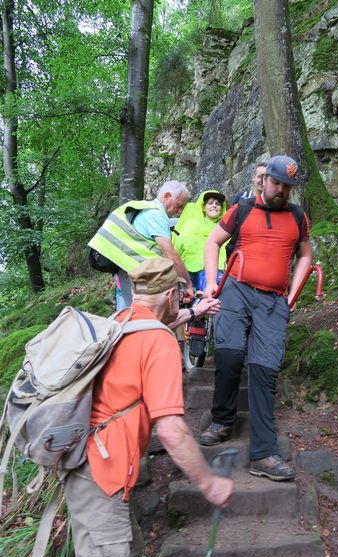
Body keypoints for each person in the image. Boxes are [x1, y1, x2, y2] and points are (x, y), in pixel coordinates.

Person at [58, 258, 233, 557]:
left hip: (82, 464)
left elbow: (153, 330)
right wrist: (209, 484)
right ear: (171, 295)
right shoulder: (159, 343)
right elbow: (170, 430)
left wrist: (190, 315)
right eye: (180, 297)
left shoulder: (121, 323)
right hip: (102, 473)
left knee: (128, 551)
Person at [200, 155, 312, 481]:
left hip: (273, 301)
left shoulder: (297, 215)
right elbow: (213, 242)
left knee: (265, 370)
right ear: (264, 181)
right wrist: (210, 282)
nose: (282, 190)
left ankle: (262, 454)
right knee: (231, 354)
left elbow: (305, 254)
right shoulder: (243, 209)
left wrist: (292, 294)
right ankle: (222, 420)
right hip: (236, 289)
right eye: (277, 183)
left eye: (287, 186)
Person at [112, 180, 194, 310]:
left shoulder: (147, 209)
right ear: (167, 196)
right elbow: (170, 255)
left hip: (129, 270)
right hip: (134, 274)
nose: (179, 211)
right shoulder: (156, 214)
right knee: (139, 309)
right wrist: (188, 284)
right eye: (178, 205)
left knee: (132, 308)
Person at [173, 190, 228, 291]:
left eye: (218, 204)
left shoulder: (226, 228)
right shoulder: (191, 224)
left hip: (217, 271)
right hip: (190, 270)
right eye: (210, 203)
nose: (214, 206)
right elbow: (178, 246)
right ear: (204, 207)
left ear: (222, 208)